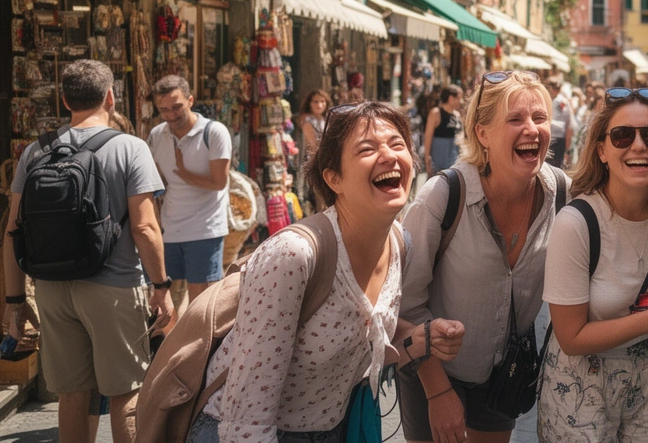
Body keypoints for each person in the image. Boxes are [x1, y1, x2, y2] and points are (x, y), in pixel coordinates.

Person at [185, 101, 465, 442]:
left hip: (334, 428)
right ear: (334, 179)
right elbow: (247, 415)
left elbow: (357, 330)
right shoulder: (292, 256)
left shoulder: (398, 242)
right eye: (367, 148)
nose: (390, 156)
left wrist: (421, 337)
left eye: (397, 144)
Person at [1, 60, 173, 443]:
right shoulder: (131, 147)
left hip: (52, 289)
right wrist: (161, 286)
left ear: (65, 100)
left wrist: (14, 300)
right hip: (113, 288)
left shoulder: (34, 152)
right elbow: (145, 227)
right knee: (126, 392)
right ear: (110, 97)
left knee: (72, 395)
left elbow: (12, 230)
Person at [399, 70, 565, 443]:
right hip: (433, 371)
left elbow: (616, 201)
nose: (532, 128)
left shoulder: (561, 192)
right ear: (482, 133)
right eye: (515, 119)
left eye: (539, 118)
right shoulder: (443, 196)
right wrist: (439, 393)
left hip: (503, 372)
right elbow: (406, 303)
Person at [539, 87, 648, 442]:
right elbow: (571, 337)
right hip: (580, 385)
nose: (639, 146)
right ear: (601, 150)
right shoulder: (576, 223)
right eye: (622, 135)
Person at [148, 75, 232, 303]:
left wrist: (184, 173)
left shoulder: (214, 132)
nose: (171, 115)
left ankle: (203, 341)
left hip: (204, 229)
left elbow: (219, 183)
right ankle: (170, 340)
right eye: (163, 110)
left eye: (177, 107)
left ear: (191, 100)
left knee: (200, 303)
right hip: (169, 228)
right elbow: (157, 183)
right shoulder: (158, 135)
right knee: (164, 299)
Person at [424, 85, 464, 175]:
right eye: (458, 98)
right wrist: (427, 158)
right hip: (439, 165)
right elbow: (428, 136)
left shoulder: (457, 115)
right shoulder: (436, 113)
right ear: (450, 98)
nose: (461, 102)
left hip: (455, 165)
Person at [546, 76, 574, 168]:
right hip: (546, 137)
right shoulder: (544, 100)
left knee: (556, 166)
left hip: (558, 139)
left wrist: (567, 145)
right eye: (553, 87)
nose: (555, 90)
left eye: (557, 87)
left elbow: (569, 123)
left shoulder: (563, 102)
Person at [298, 89, 328, 159]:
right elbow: (312, 146)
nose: (319, 105)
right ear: (309, 103)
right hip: (313, 160)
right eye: (316, 102)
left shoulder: (323, 119)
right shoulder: (308, 120)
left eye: (322, 101)